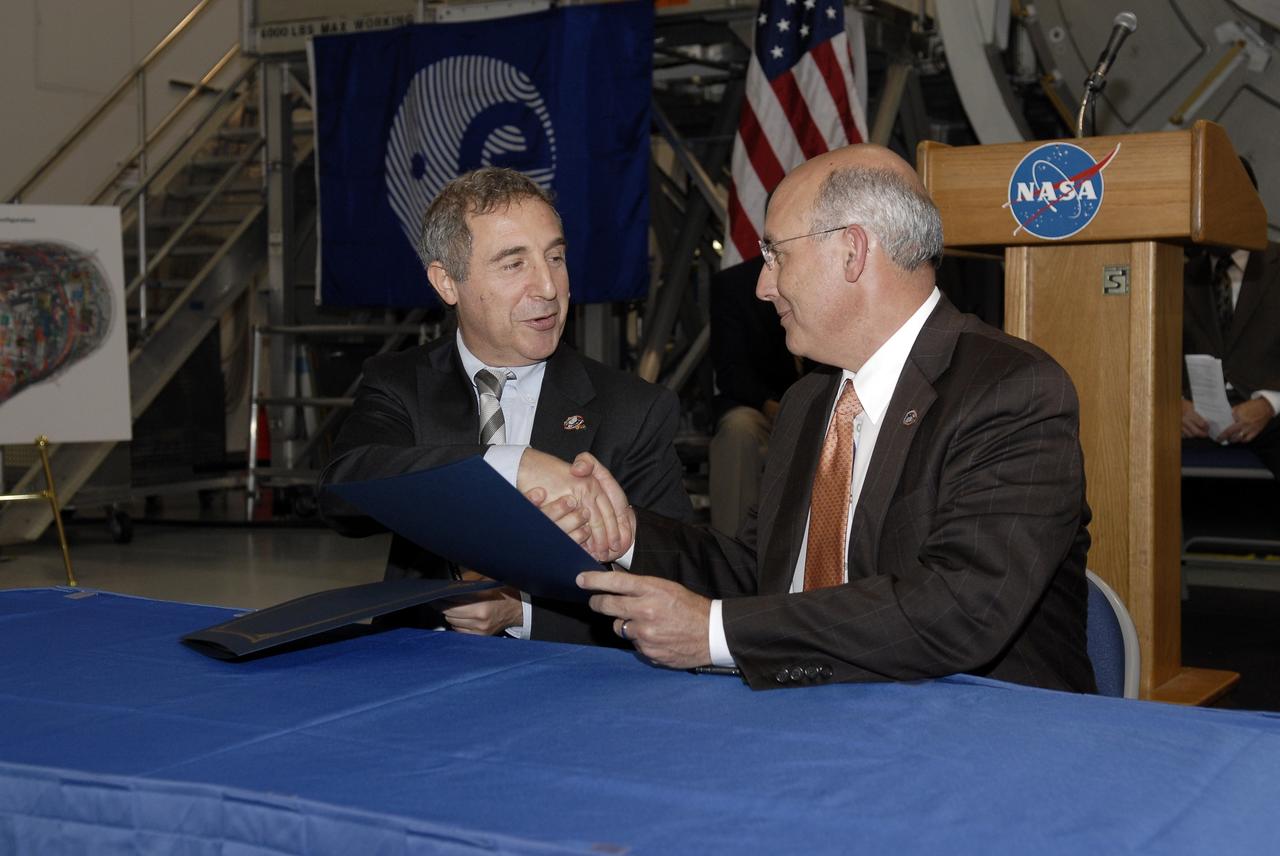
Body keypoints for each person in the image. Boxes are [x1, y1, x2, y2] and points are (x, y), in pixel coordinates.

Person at [565, 144, 1096, 693]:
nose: (762, 287)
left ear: (852, 252)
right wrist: (624, 535)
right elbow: (763, 571)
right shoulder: (809, 401)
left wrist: (715, 632)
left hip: (984, 730)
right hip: (824, 712)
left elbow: (958, 608)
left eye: (776, 255)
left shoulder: (1012, 391)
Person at [318, 167, 691, 646]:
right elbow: (342, 492)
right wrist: (511, 465)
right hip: (414, 670)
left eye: (555, 257)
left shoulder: (634, 409)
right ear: (446, 283)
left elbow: (677, 575)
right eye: (514, 264)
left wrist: (523, 613)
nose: (549, 287)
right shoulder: (401, 384)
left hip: (570, 686)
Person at [1181, 160, 1280, 477]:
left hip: (1273, 421)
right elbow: (1147, 355)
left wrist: (1269, 404)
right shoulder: (1172, 275)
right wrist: (1171, 405)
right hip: (1190, 424)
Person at [708, 256, 802, 536]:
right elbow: (730, 370)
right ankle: (731, 552)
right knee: (738, 431)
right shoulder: (737, 284)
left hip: (824, 403)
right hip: (762, 405)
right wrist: (770, 406)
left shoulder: (834, 271)